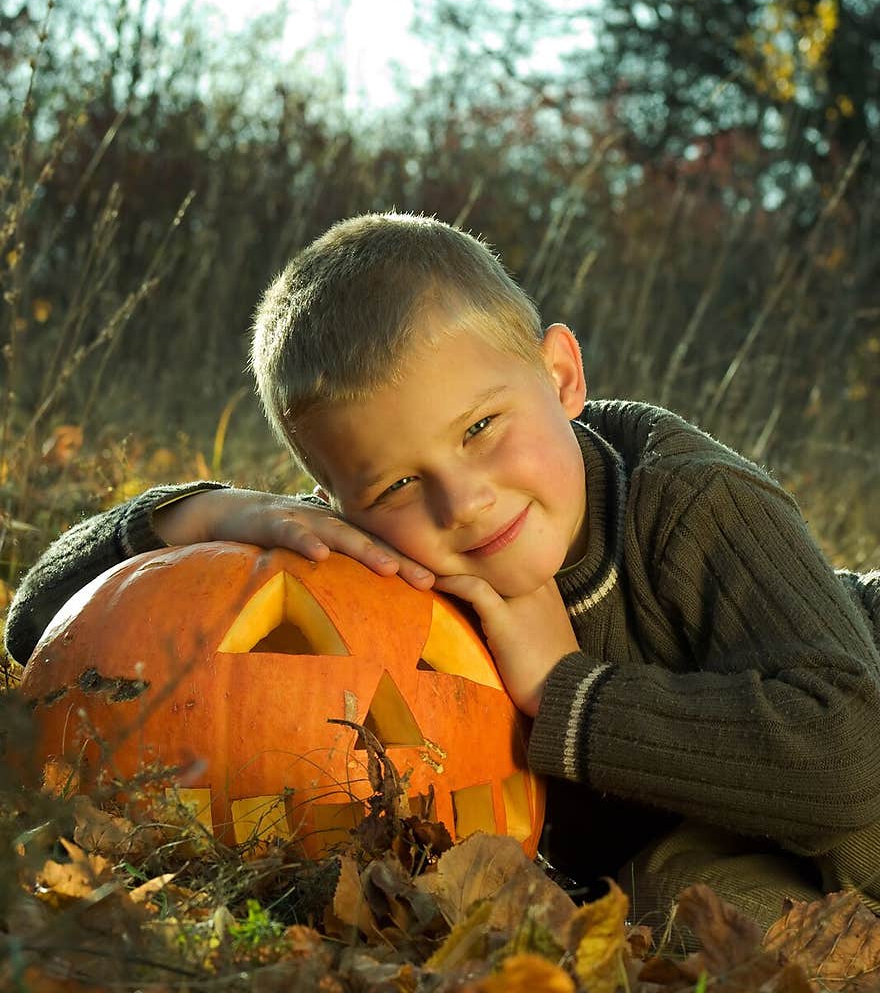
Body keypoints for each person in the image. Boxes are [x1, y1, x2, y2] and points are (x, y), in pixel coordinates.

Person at [7, 211, 880, 938]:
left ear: (562, 375)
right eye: (395, 483)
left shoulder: (692, 503)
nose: (460, 501)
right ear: (341, 504)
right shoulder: (378, 555)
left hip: (851, 736)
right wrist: (195, 518)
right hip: (724, 837)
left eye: (481, 427)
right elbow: (43, 632)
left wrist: (567, 691)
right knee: (665, 905)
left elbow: (848, 756)